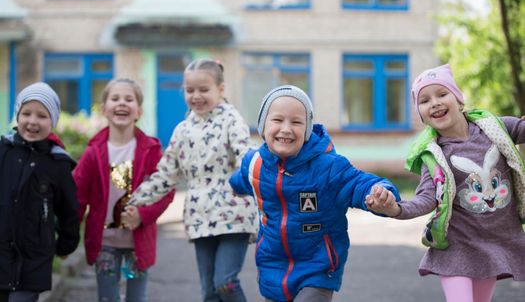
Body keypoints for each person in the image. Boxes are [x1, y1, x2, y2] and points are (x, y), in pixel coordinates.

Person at [367, 64, 525, 302]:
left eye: (442, 94)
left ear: (459, 100)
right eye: (425, 100)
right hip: (456, 247)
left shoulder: (495, 127)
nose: (435, 103)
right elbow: (426, 199)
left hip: (495, 241)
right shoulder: (434, 155)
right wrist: (395, 208)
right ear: (422, 115)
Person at [229, 85, 400, 302]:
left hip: (317, 267)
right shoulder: (255, 163)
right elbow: (241, 180)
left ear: (308, 129)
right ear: (263, 125)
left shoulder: (328, 167)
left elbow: (358, 183)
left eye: (297, 122)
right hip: (273, 266)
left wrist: (382, 194)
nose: (286, 128)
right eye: (277, 120)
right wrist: (231, 187)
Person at [128, 59, 259, 302]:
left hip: (235, 214)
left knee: (225, 283)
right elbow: (165, 174)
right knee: (209, 291)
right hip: (201, 216)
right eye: (190, 90)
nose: (196, 96)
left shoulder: (232, 120)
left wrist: (263, 179)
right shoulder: (182, 130)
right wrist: (133, 201)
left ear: (220, 90)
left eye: (203, 89)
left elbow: (246, 156)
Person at [73, 78, 175, 302]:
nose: (122, 103)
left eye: (129, 99)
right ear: (104, 109)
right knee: (107, 298)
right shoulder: (93, 153)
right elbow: (77, 196)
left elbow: (166, 190)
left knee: (136, 299)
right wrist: (68, 232)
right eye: (115, 98)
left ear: (138, 111)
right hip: (104, 243)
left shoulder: (151, 150)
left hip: (137, 244)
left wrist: (143, 215)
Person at [0, 82, 80, 301]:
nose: (33, 121)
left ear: (52, 121)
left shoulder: (57, 164)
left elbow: (69, 210)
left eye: (42, 116)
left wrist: (66, 245)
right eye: (26, 113)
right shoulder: (3, 151)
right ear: (17, 115)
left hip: (33, 261)